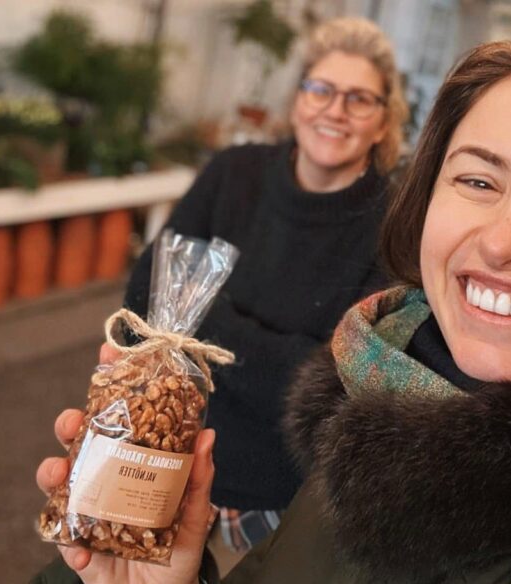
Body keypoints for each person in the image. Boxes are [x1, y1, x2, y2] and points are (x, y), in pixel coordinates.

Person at [34, 18, 511, 583]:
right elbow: (149, 295)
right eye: (478, 181)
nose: (503, 241)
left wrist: (219, 336)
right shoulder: (379, 412)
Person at [121, 16, 408, 555]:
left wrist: (197, 324)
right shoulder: (233, 174)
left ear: (383, 121)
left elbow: (338, 389)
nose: (334, 110)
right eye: (320, 89)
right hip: (158, 458)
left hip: (282, 506)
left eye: (359, 99)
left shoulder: (392, 224)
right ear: (298, 98)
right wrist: (283, 355)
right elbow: (141, 300)